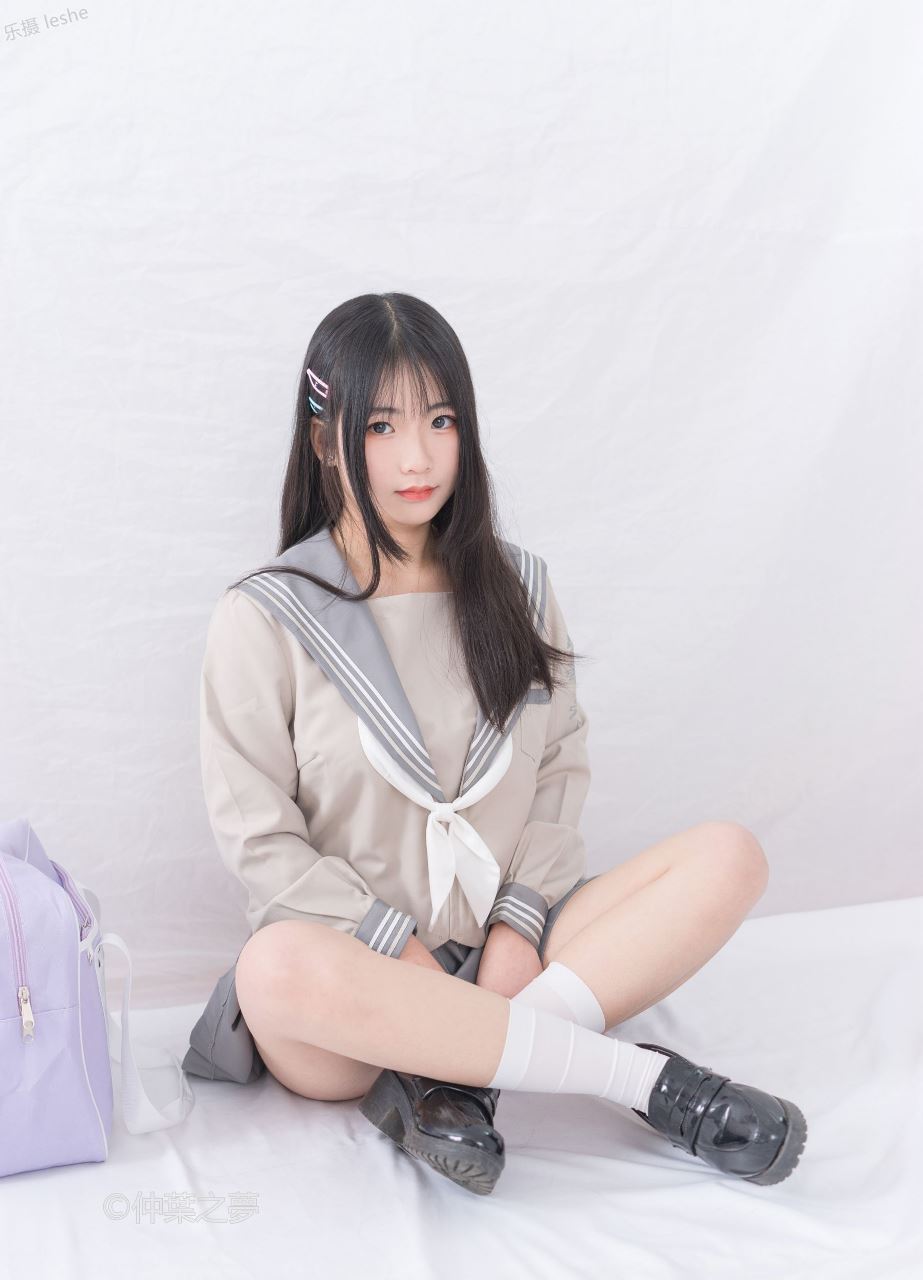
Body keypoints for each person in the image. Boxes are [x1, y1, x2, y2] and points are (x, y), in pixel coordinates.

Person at [186, 291, 808, 1196]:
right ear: (324, 439)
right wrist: (401, 956)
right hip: (356, 989)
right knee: (273, 967)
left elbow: (558, 772)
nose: (417, 457)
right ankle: (640, 1081)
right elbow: (259, 840)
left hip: (512, 957)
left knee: (728, 856)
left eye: (440, 421)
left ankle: (450, 1082)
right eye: (381, 427)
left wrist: (517, 929)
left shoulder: (519, 588)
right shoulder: (266, 615)